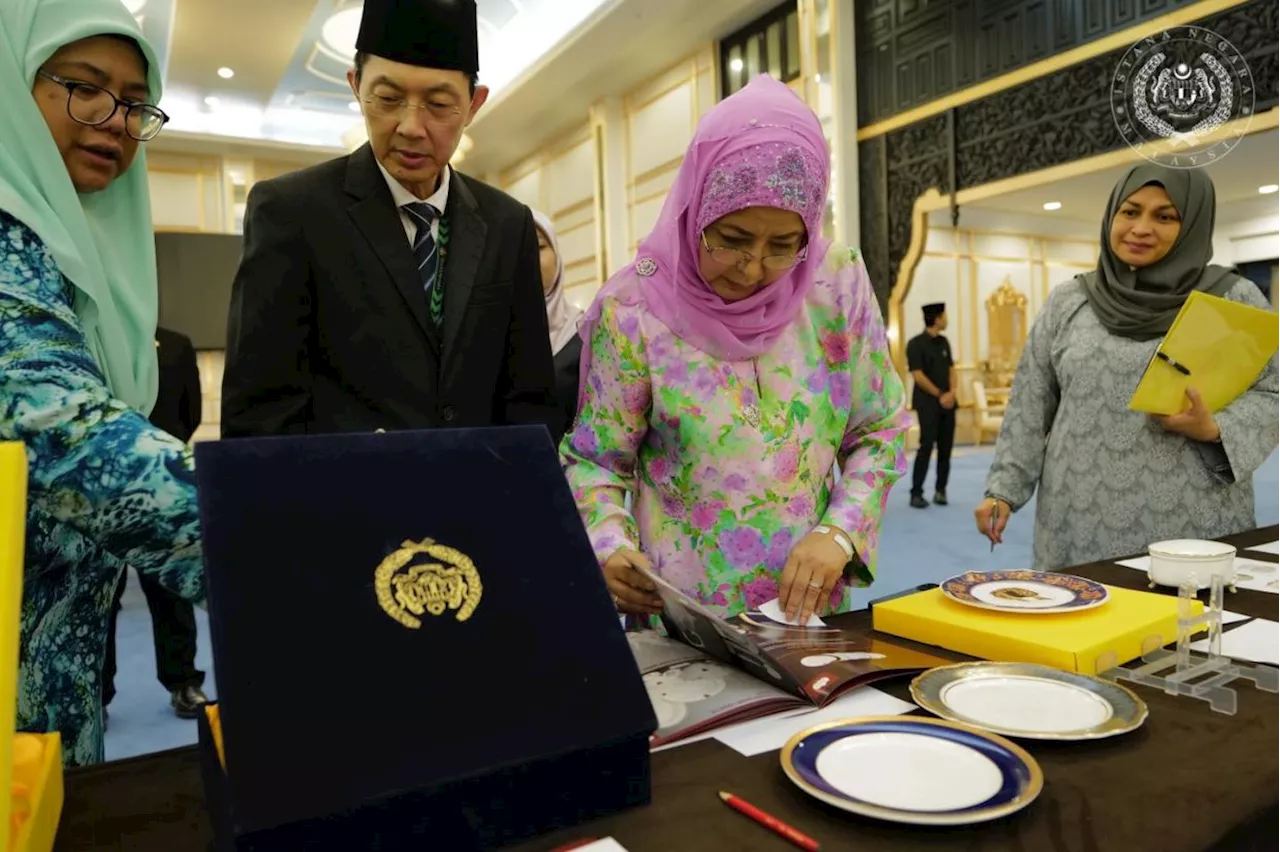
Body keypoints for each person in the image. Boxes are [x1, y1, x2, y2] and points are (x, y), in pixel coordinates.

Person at [562, 75, 909, 628]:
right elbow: (596, 461)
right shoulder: (634, 310)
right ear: (696, 209)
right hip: (683, 616)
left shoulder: (834, 283)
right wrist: (607, 545)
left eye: (781, 246)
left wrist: (839, 531)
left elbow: (882, 430)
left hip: (808, 612)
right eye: (732, 238)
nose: (753, 269)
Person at [0, 0, 204, 766]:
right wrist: (296, 536)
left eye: (133, 101)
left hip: (53, 697)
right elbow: (68, 435)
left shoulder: (67, 256)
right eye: (84, 87)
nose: (115, 120)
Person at [221, 0, 556, 438]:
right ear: (356, 85)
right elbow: (261, 412)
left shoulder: (508, 223)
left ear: (474, 104)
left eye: (438, 104)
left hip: (476, 497)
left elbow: (529, 400)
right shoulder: (291, 212)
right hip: (344, 500)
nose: (411, 126)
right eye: (388, 98)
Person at [975, 165, 1280, 569]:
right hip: (1077, 518)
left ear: (1192, 224)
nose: (1140, 227)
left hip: (1193, 519)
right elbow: (1030, 403)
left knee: (1188, 624)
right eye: (1130, 211)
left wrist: (1215, 428)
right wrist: (1003, 491)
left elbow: (1272, 390)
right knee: (1080, 620)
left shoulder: (1232, 299)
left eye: (1164, 217)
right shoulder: (1070, 302)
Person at [103, 327, 207, 722]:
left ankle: (184, 683)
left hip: (161, 485)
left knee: (172, 595)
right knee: (103, 600)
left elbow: (190, 412)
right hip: (106, 486)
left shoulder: (177, 343)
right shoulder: (95, 334)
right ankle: (99, 693)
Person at [532, 209, 584, 441]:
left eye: (539, 247)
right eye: (518, 249)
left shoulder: (585, 331)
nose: (529, 257)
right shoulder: (487, 334)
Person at [906, 302, 956, 508]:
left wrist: (952, 393)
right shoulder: (915, 344)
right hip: (928, 403)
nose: (946, 319)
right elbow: (918, 375)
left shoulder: (944, 342)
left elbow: (952, 369)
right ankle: (916, 493)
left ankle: (940, 490)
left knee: (946, 448)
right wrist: (940, 394)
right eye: (944, 315)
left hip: (948, 403)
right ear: (936, 319)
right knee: (927, 445)